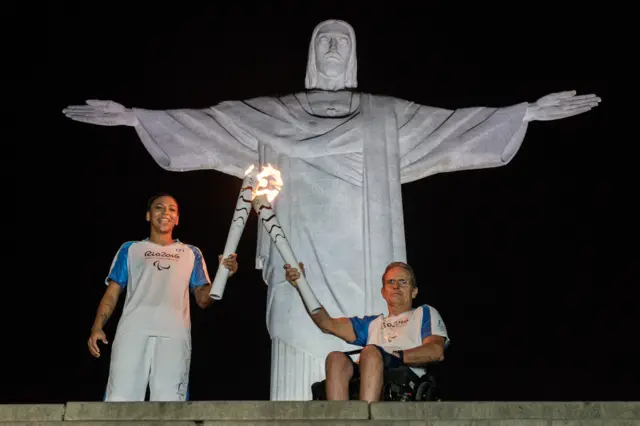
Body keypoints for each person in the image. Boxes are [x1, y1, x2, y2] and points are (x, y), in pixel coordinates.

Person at [63, 19, 600, 400]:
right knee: (304, 346)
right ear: (310, 55)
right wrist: (137, 118)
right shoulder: (275, 115)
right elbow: (208, 125)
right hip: (296, 252)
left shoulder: (384, 116)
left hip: (367, 260)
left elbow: (453, 128)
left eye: (344, 41)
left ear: (356, 53)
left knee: (365, 340)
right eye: (326, 41)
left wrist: (524, 113)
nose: (335, 49)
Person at [87, 193, 238, 401]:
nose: (165, 212)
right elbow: (112, 294)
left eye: (172, 209)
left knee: (170, 405)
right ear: (149, 215)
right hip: (132, 332)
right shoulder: (131, 249)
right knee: (119, 401)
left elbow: (203, 300)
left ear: (177, 219)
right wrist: (97, 326)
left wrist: (223, 276)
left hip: (174, 335)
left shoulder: (191, 252)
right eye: (159, 207)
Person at [284, 260, 448, 402]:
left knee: (370, 352)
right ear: (383, 292)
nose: (396, 286)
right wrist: (301, 286)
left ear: (414, 292)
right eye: (390, 282)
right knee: (336, 359)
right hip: (370, 372)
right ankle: (338, 419)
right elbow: (326, 324)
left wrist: (393, 356)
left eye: (403, 282)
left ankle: (368, 418)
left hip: (404, 376)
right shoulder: (373, 323)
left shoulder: (423, 313)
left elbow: (435, 351)